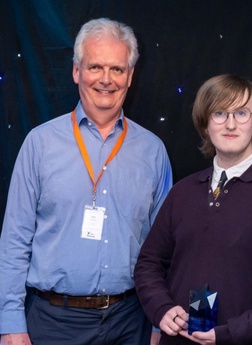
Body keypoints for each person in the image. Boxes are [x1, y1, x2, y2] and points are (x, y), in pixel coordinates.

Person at [0, 18, 172, 345]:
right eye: (95, 67)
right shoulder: (39, 144)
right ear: (77, 71)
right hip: (53, 323)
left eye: (117, 69)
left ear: (130, 76)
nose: (106, 80)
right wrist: (10, 323)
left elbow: (164, 249)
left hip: (131, 321)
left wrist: (159, 324)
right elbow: (14, 240)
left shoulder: (153, 151)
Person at [134, 74, 252, 345]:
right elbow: (148, 263)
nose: (230, 124)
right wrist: (161, 308)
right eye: (219, 113)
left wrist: (232, 332)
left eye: (241, 113)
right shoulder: (183, 192)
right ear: (205, 124)